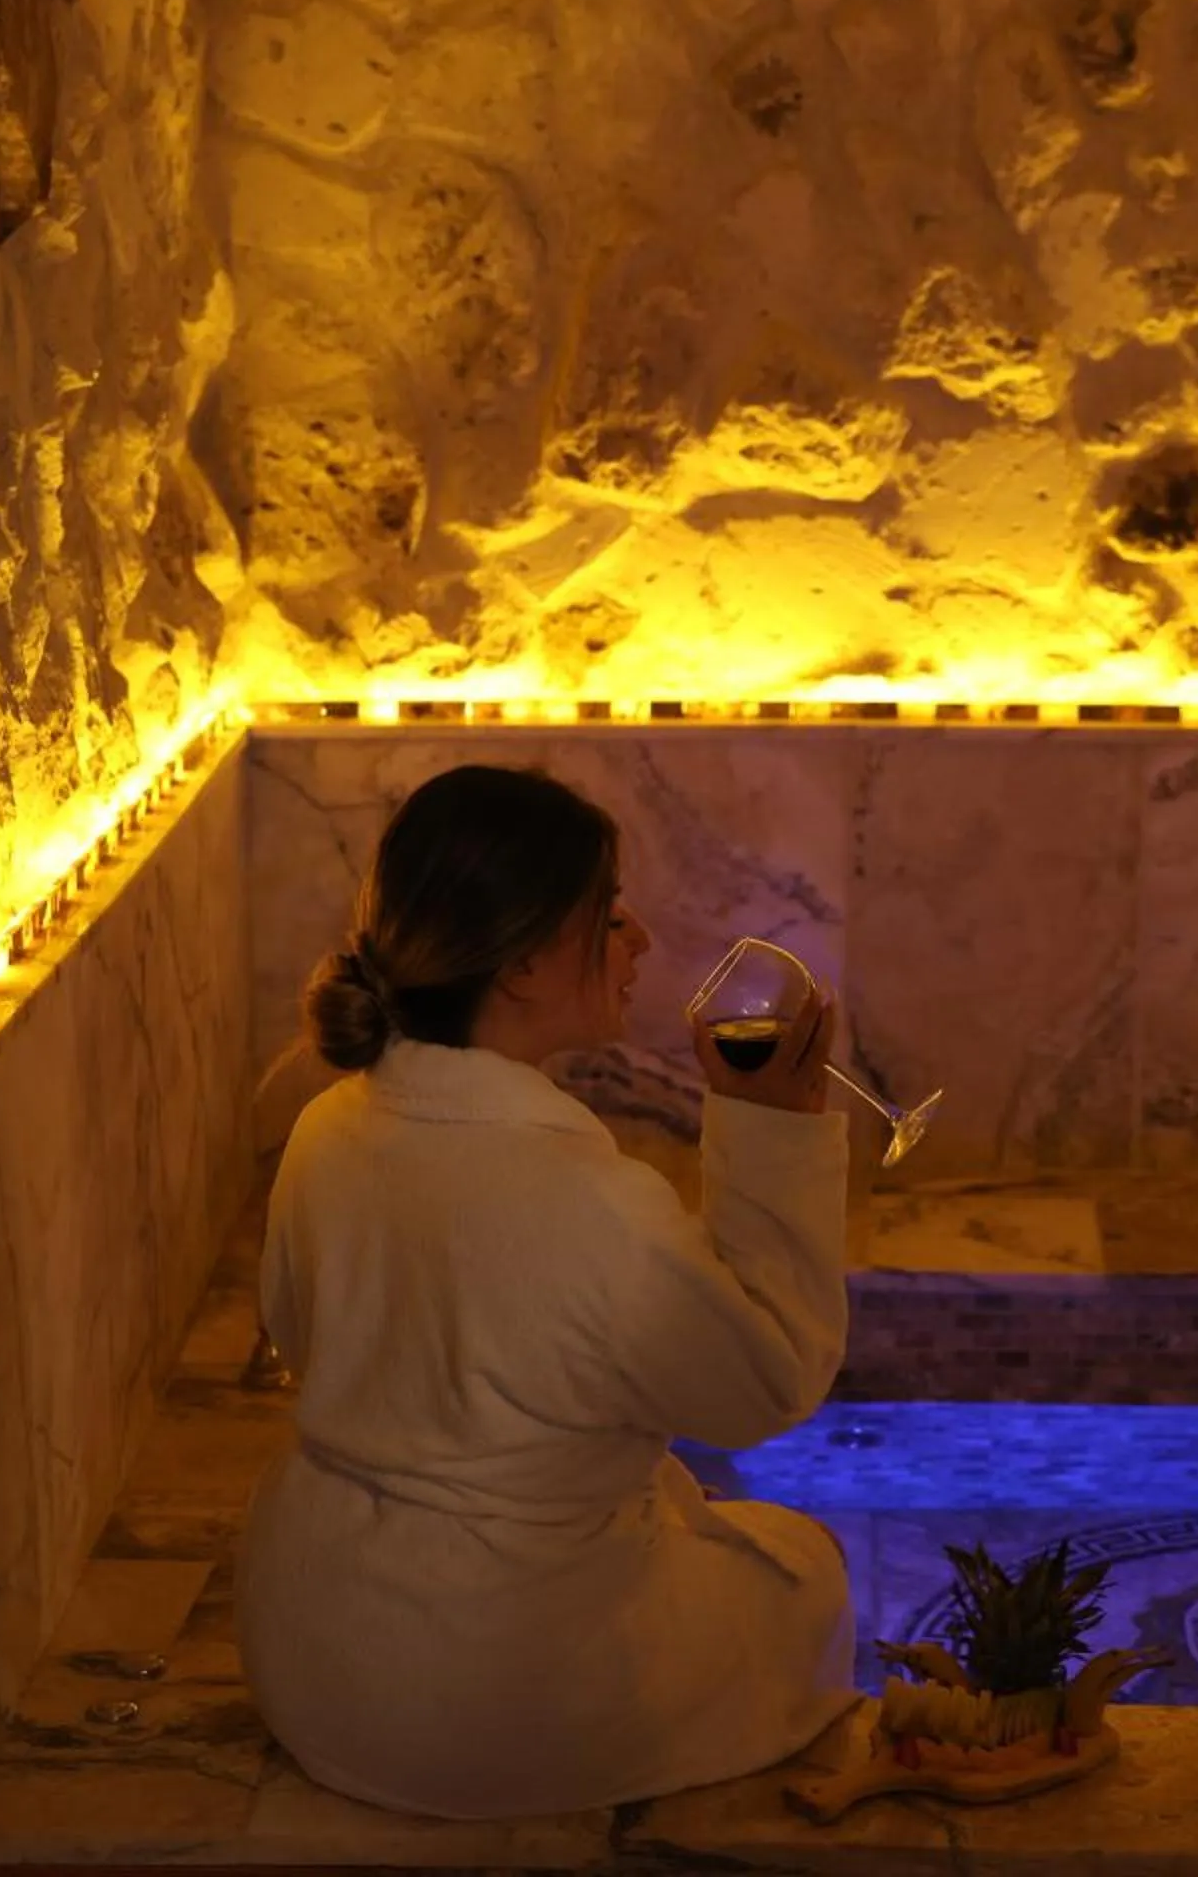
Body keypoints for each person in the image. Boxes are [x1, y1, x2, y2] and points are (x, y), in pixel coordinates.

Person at [235, 765, 857, 1818]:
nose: (638, 940)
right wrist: (770, 1130)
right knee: (810, 1572)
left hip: (309, 1645)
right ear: (522, 960)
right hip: (487, 1688)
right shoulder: (588, 1202)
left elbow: (297, 1329)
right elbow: (764, 1381)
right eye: (607, 916)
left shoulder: (326, 1129)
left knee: (706, 1528)